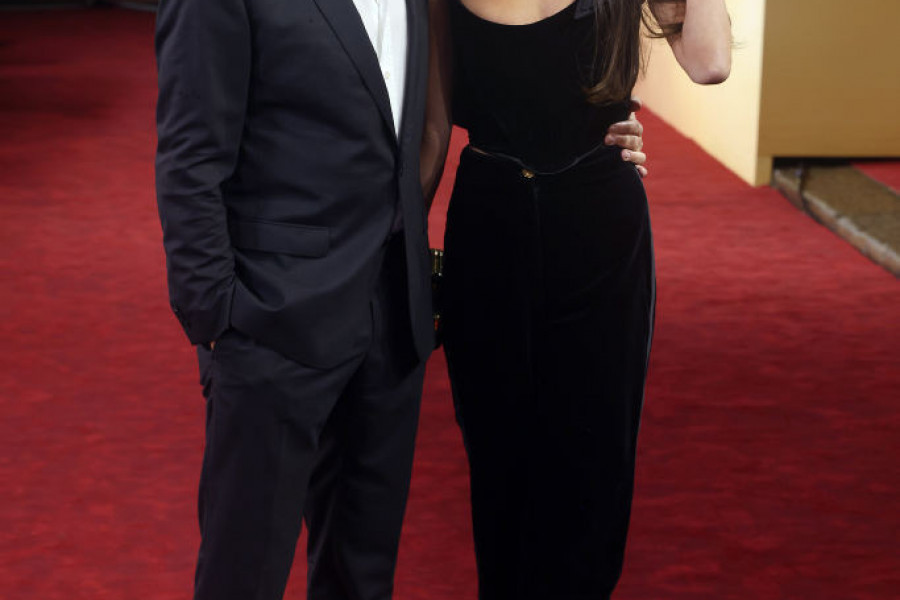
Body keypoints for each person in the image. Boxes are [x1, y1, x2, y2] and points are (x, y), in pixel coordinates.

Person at [154, 0, 648, 598]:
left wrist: (597, 128)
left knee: (362, 575)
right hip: (272, 321)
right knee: (245, 574)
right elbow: (190, 156)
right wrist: (216, 317)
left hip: (390, 318)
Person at [420, 0, 732, 598]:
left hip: (600, 226)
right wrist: (398, 245)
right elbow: (433, 131)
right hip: (489, 228)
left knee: (595, 455)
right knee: (498, 455)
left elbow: (710, 63)